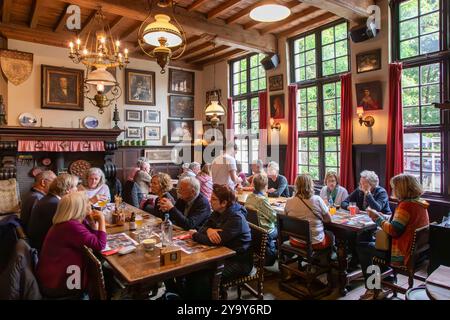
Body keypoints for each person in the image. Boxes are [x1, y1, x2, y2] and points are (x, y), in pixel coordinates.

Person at [357, 174, 430, 300]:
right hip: (418, 254)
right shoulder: (419, 202)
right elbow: (400, 224)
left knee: (364, 246)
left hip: (402, 253)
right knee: (372, 245)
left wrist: (376, 218)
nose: (393, 190)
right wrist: (382, 216)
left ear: (401, 189)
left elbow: (393, 230)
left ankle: (373, 288)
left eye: (394, 188)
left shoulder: (405, 206)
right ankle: (387, 280)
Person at [184, 184, 252, 299]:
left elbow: (214, 241)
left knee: (202, 277)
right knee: (191, 271)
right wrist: (209, 229)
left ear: (224, 203)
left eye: (214, 199)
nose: (210, 201)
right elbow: (202, 228)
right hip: (222, 255)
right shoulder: (217, 212)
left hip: (238, 261)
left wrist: (194, 235)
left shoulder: (236, 218)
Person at [36, 191, 106, 298]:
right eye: (87, 202)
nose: (90, 205)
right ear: (80, 208)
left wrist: (92, 223)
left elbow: (92, 240)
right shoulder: (71, 226)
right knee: (107, 272)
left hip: (53, 277)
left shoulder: (67, 223)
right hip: (59, 284)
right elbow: (100, 245)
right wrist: (102, 220)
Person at [28, 173, 79, 252]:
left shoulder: (49, 198)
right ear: (68, 189)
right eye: (75, 186)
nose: (77, 189)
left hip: (40, 243)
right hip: (44, 248)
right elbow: (68, 230)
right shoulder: (54, 204)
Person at [284, 174, 333, 250]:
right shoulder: (317, 199)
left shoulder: (289, 201)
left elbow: (286, 219)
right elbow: (328, 219)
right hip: (315, 243)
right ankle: (325, 259)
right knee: (331, 235)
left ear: (296, 185)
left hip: (295, 240)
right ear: (310, 185)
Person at [244, 173, 277, 266]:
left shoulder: (250, 196)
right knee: (283, 229)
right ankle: (278, 258)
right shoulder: (262, 200)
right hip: (265, 230)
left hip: (254, 229)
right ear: (266, 186)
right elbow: (274, 218)